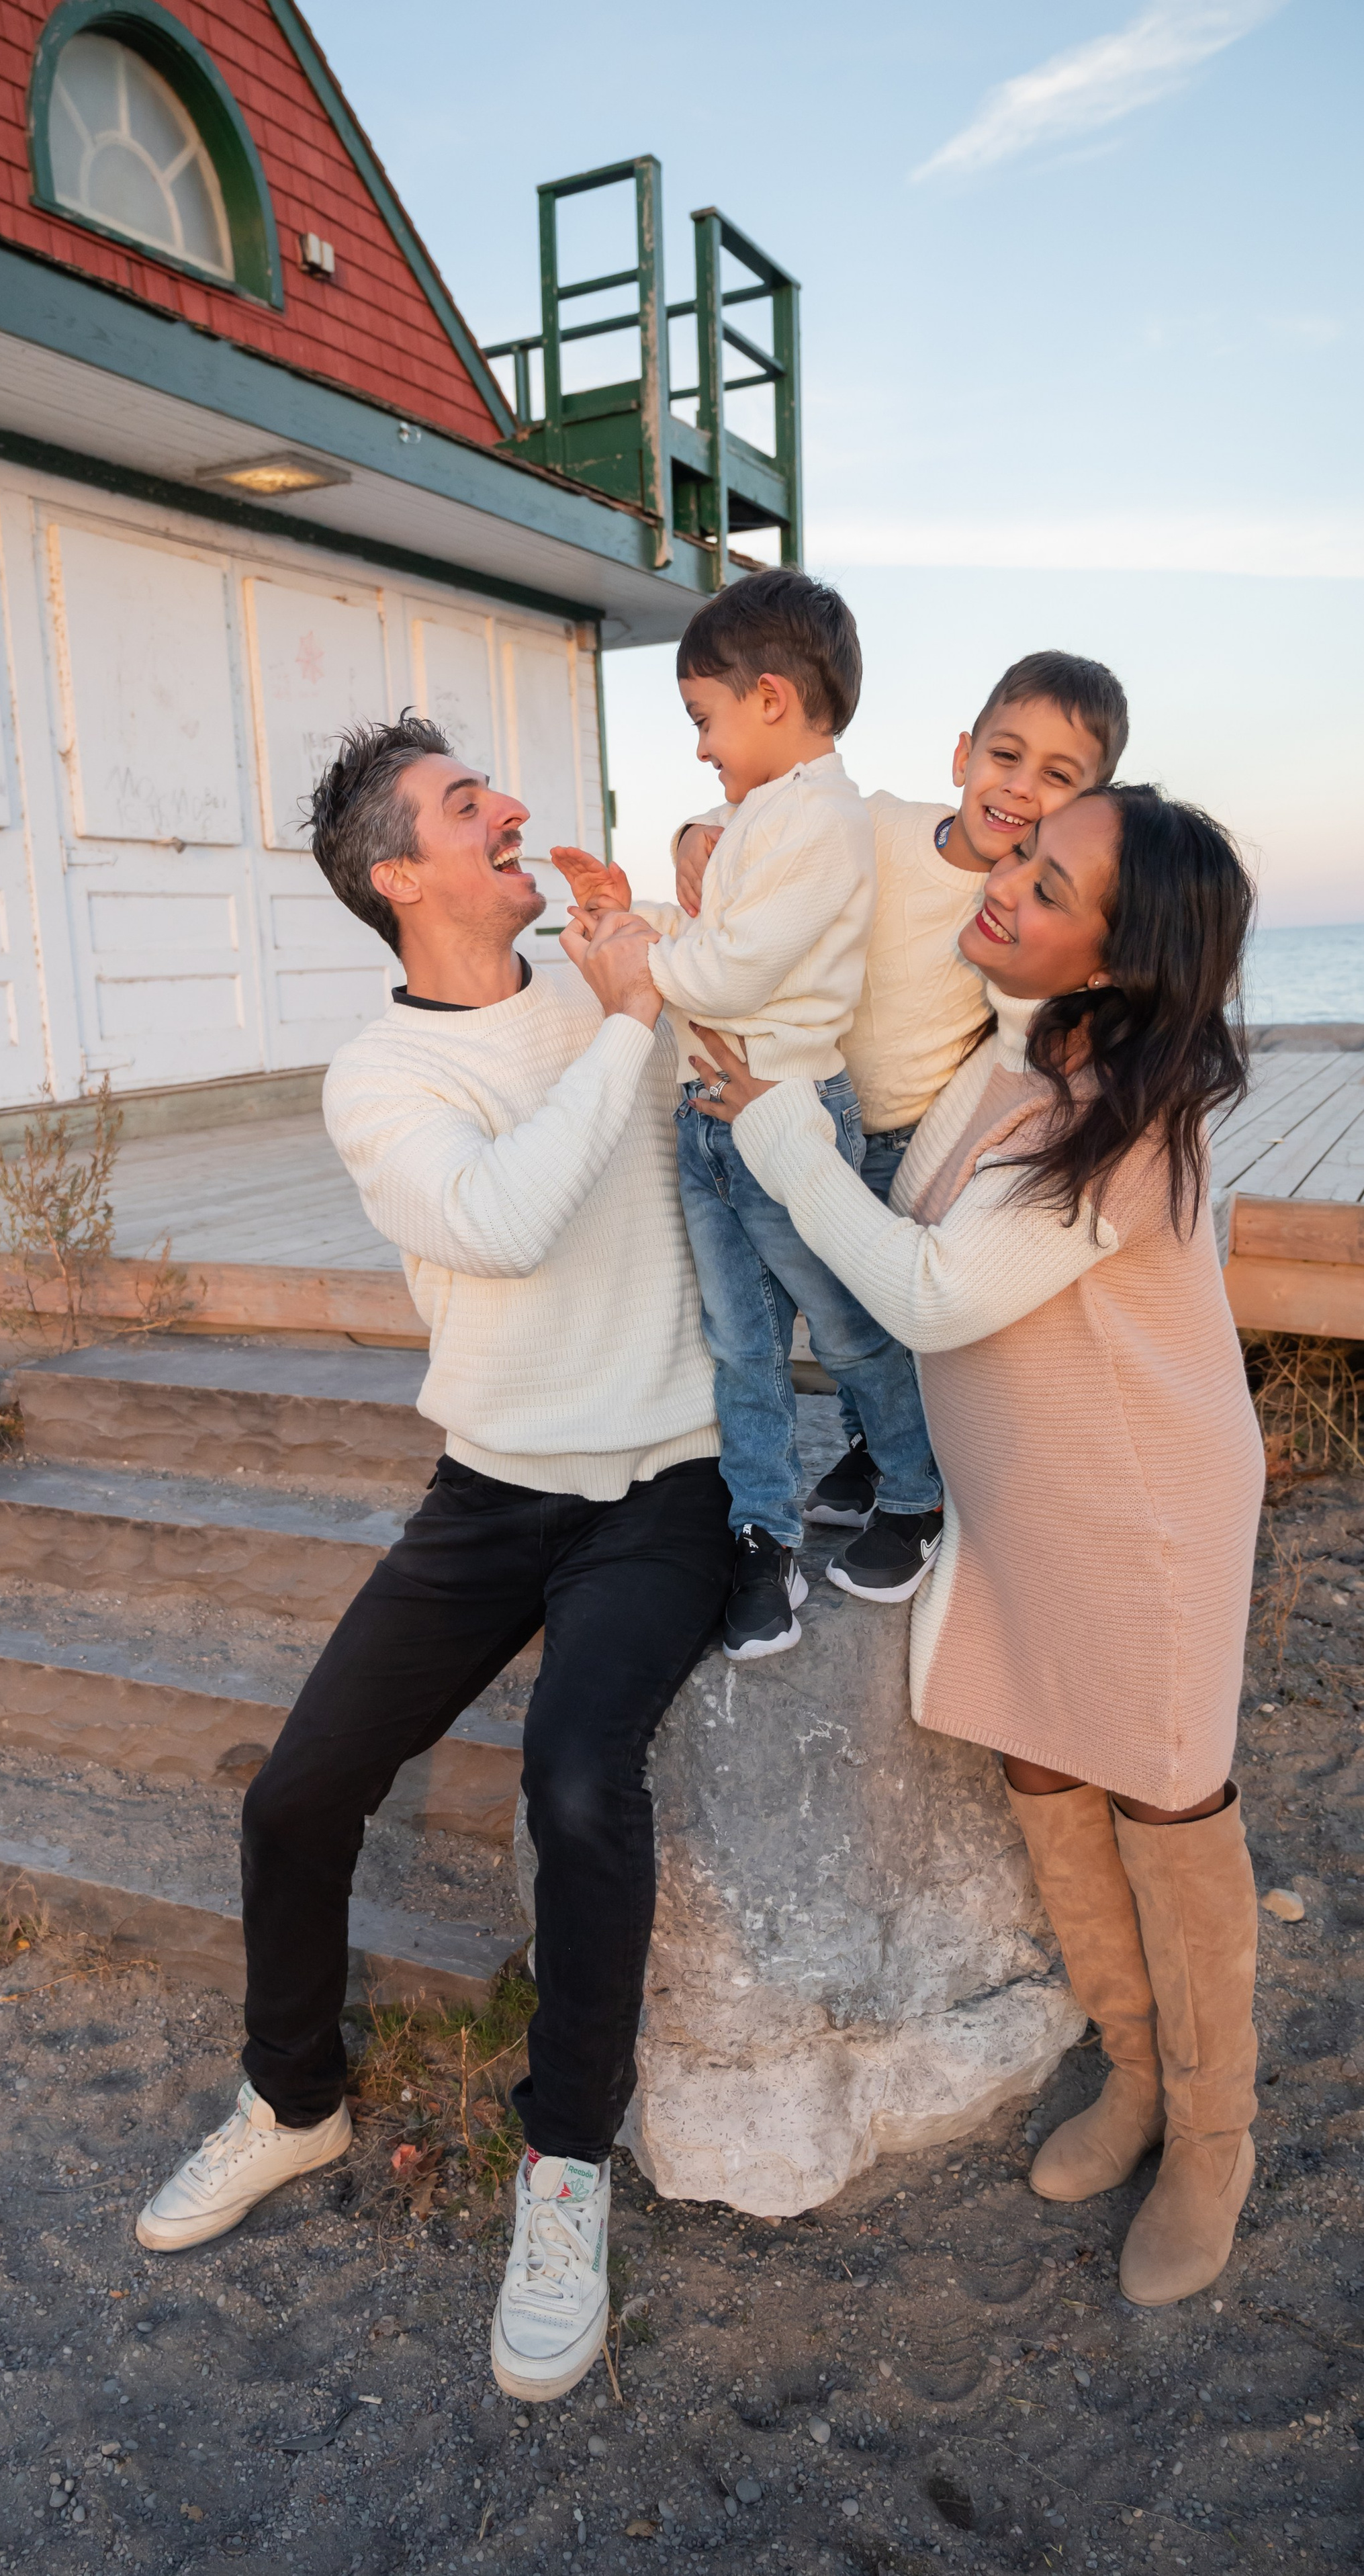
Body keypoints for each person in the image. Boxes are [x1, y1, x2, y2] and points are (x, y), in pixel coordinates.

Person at [134, 715, 733, 2404]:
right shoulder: (379, 1078)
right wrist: (624, 1028)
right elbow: (496, 1222)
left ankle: (561, 2171)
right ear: (399, 875)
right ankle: (293, 2104)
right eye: (471, 805)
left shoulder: (614, 981)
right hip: (486, 1490)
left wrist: (657, 981)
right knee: (296, 1793)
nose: (516, 812)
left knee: (576, 1780)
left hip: (656, 1480)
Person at [677, 781, 1263, 2307]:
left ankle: (1211, 2134)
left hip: (1138, 1515)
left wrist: (778, 1135)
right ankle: (1129, 2072)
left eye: (1047, 882)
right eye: (1022, 852)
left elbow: (929, 1290)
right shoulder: (1019, 1057)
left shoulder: (1134, 1130)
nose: (1000, 882)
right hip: (1021, 1503)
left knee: (1164, 1791)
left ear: (1114, 960)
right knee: (1038, 1765)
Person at [551, 567, 941, 1663]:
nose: (699, 746)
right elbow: (718, 934)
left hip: (789, 1120)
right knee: (741, 1343)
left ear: (771, 698)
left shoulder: (818, 817)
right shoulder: (754, 815)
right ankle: (762, 1532)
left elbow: (729, 970)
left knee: (849, 1325)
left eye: (703, 719)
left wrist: (637, 958)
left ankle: (913, 1494)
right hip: (708, 1122)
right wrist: (635, 917)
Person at [672, 650, 1130, 1570]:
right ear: (963, 756)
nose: (1021, 789)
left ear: (1085, 810)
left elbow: (1032, 1030)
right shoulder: (871, 825)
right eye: (1006, 757)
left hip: (902, 1135)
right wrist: (695, 831)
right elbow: (762, 819)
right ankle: (868, 1450)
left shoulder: (1021, 920)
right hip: (807, 1095)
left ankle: (904, 1479)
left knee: (862, 1322)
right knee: (814, 1321)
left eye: (1058, 778)